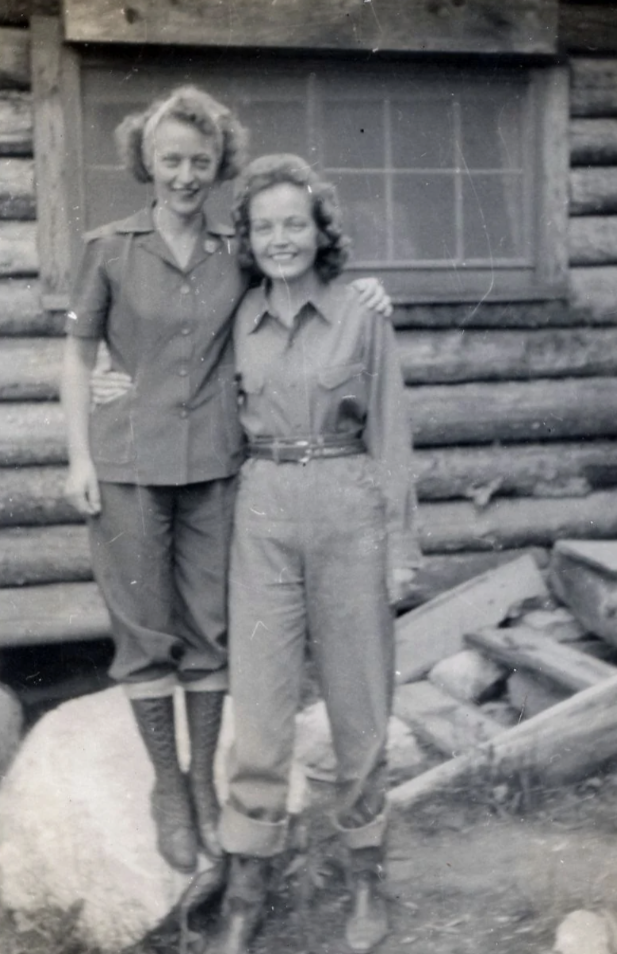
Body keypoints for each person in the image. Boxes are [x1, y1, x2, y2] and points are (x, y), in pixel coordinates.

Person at [62, 86, 391, 877]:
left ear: (219, 168)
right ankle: (167, 789)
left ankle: (209, 791)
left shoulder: (233, 255)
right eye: (170, 159)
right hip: (126, 464)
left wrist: (368, 294)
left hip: (216, 468)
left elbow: (299, 279)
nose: (183, 175)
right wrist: (77, 454)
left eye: (199, 163)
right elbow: (77, 357)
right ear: (145, 158)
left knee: (210, 630)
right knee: (143, 632)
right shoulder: (107, 247)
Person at [206, 154, 421, 954]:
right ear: (249, 240)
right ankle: (246, 889)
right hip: (261, 513)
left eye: (294, 222)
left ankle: (367, 877)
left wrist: (401, 544)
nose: (280, 238)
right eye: (265, 227)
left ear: (320, 230)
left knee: (359, 707)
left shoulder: (363, 314)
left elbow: (391, 434)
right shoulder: (239, 320)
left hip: (347, 505)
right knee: (260, 714)